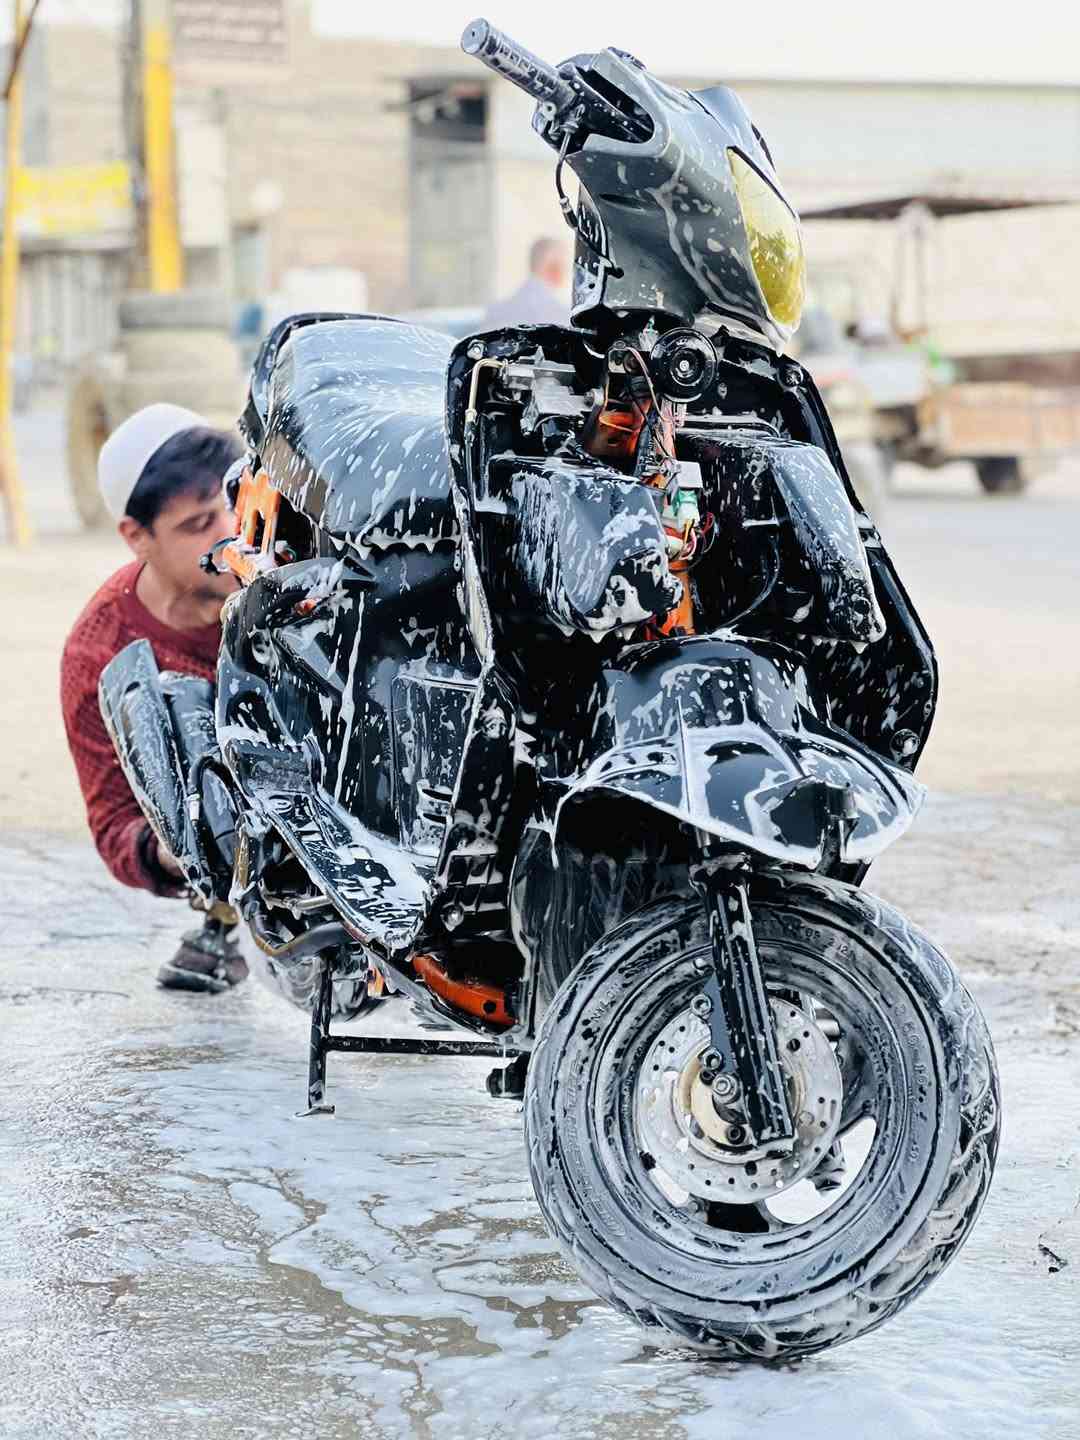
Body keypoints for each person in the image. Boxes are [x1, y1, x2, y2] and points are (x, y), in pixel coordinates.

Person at [60, 404, 247, 993]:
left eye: (233, 504)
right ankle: (227, 911)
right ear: (136, 537)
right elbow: (114, 822)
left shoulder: (290, 563)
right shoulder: (102, 654)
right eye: (198, 524)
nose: (231, 531)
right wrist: (181, 847)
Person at [481, 235, 569, 328]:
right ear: (554, 268)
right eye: (564, 265)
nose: (566, 272)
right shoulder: (560, 316)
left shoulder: (496, 311)